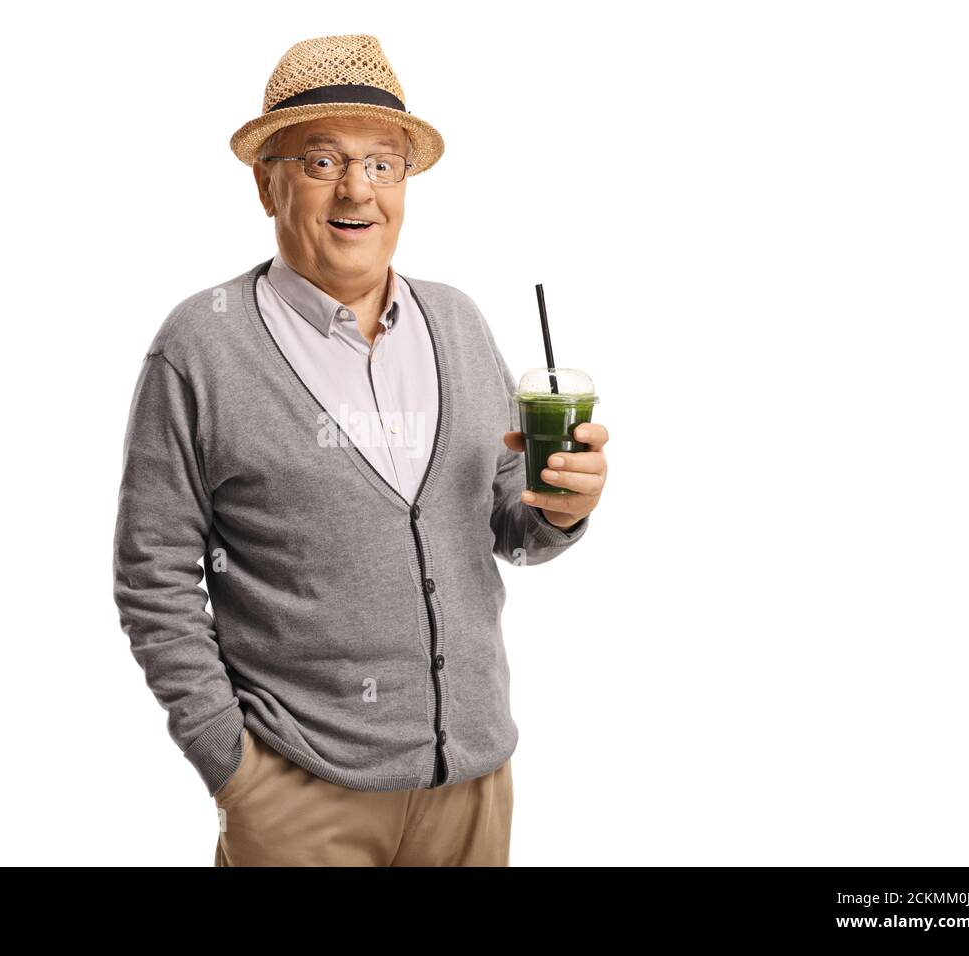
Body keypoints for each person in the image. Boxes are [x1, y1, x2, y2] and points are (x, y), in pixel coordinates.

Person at [112, 34, 609, 866]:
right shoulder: (202, 345)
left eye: (383, 164)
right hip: (298, 795)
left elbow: (507, 523)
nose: (357, 190)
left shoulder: (458, 322)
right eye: (321, 161)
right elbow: (150, 572)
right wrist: (234, 767)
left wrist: (560, 510)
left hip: (473, 787)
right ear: (265, 182)